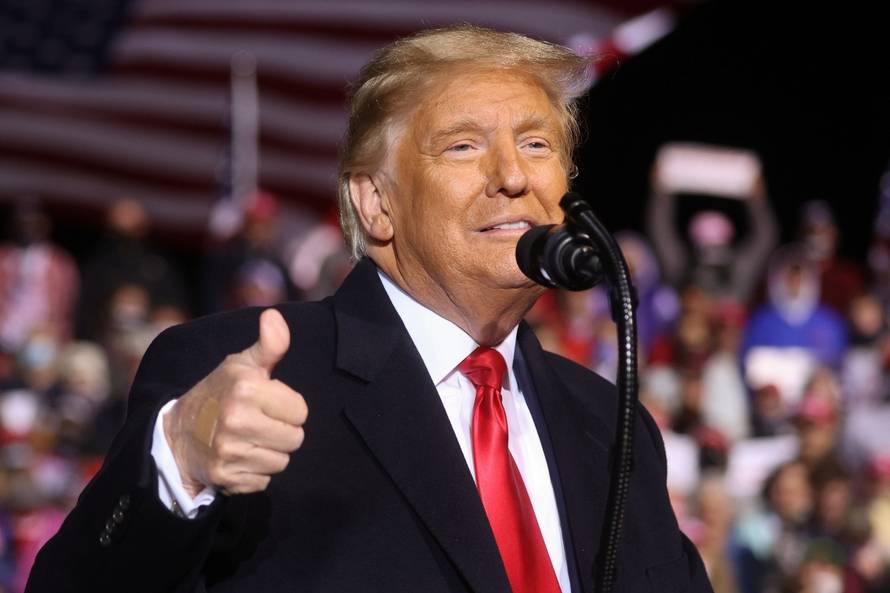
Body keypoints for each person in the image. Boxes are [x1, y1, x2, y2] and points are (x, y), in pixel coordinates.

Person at [26, 25, 712, 593]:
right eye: (465, 145)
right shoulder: (239, 378)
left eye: (537, 144)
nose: (513, 174)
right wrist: (178, 464)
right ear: (375, 202)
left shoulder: (609, 424)